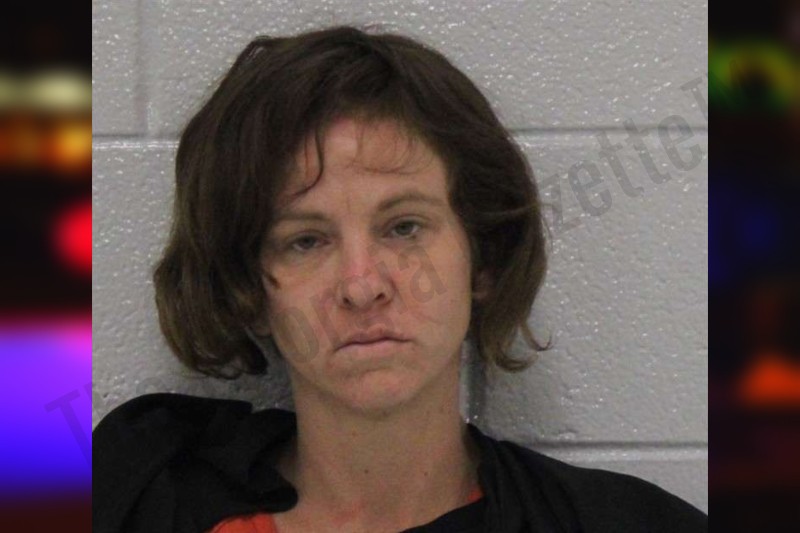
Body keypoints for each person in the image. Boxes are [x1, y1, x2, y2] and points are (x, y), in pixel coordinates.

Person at [93, 26, 707, 533]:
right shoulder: (137, 493)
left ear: (483, 257)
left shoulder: (624, 524)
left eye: (404, 228)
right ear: (247, 291)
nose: (362, 286)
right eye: (306, 241)